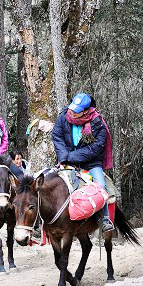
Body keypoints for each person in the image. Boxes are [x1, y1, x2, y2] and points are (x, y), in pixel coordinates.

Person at [52, 93, 115, 232]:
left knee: (101, 186)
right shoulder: (63, 116)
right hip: (66, 159)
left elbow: (98, 146)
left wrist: (73, 156)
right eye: (72, 108)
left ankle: (105, 219)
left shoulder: (97, 122)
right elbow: (57, 137)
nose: (72, 112)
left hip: (91, 163)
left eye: (76, 110)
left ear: (86, 111)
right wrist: (65, 157)